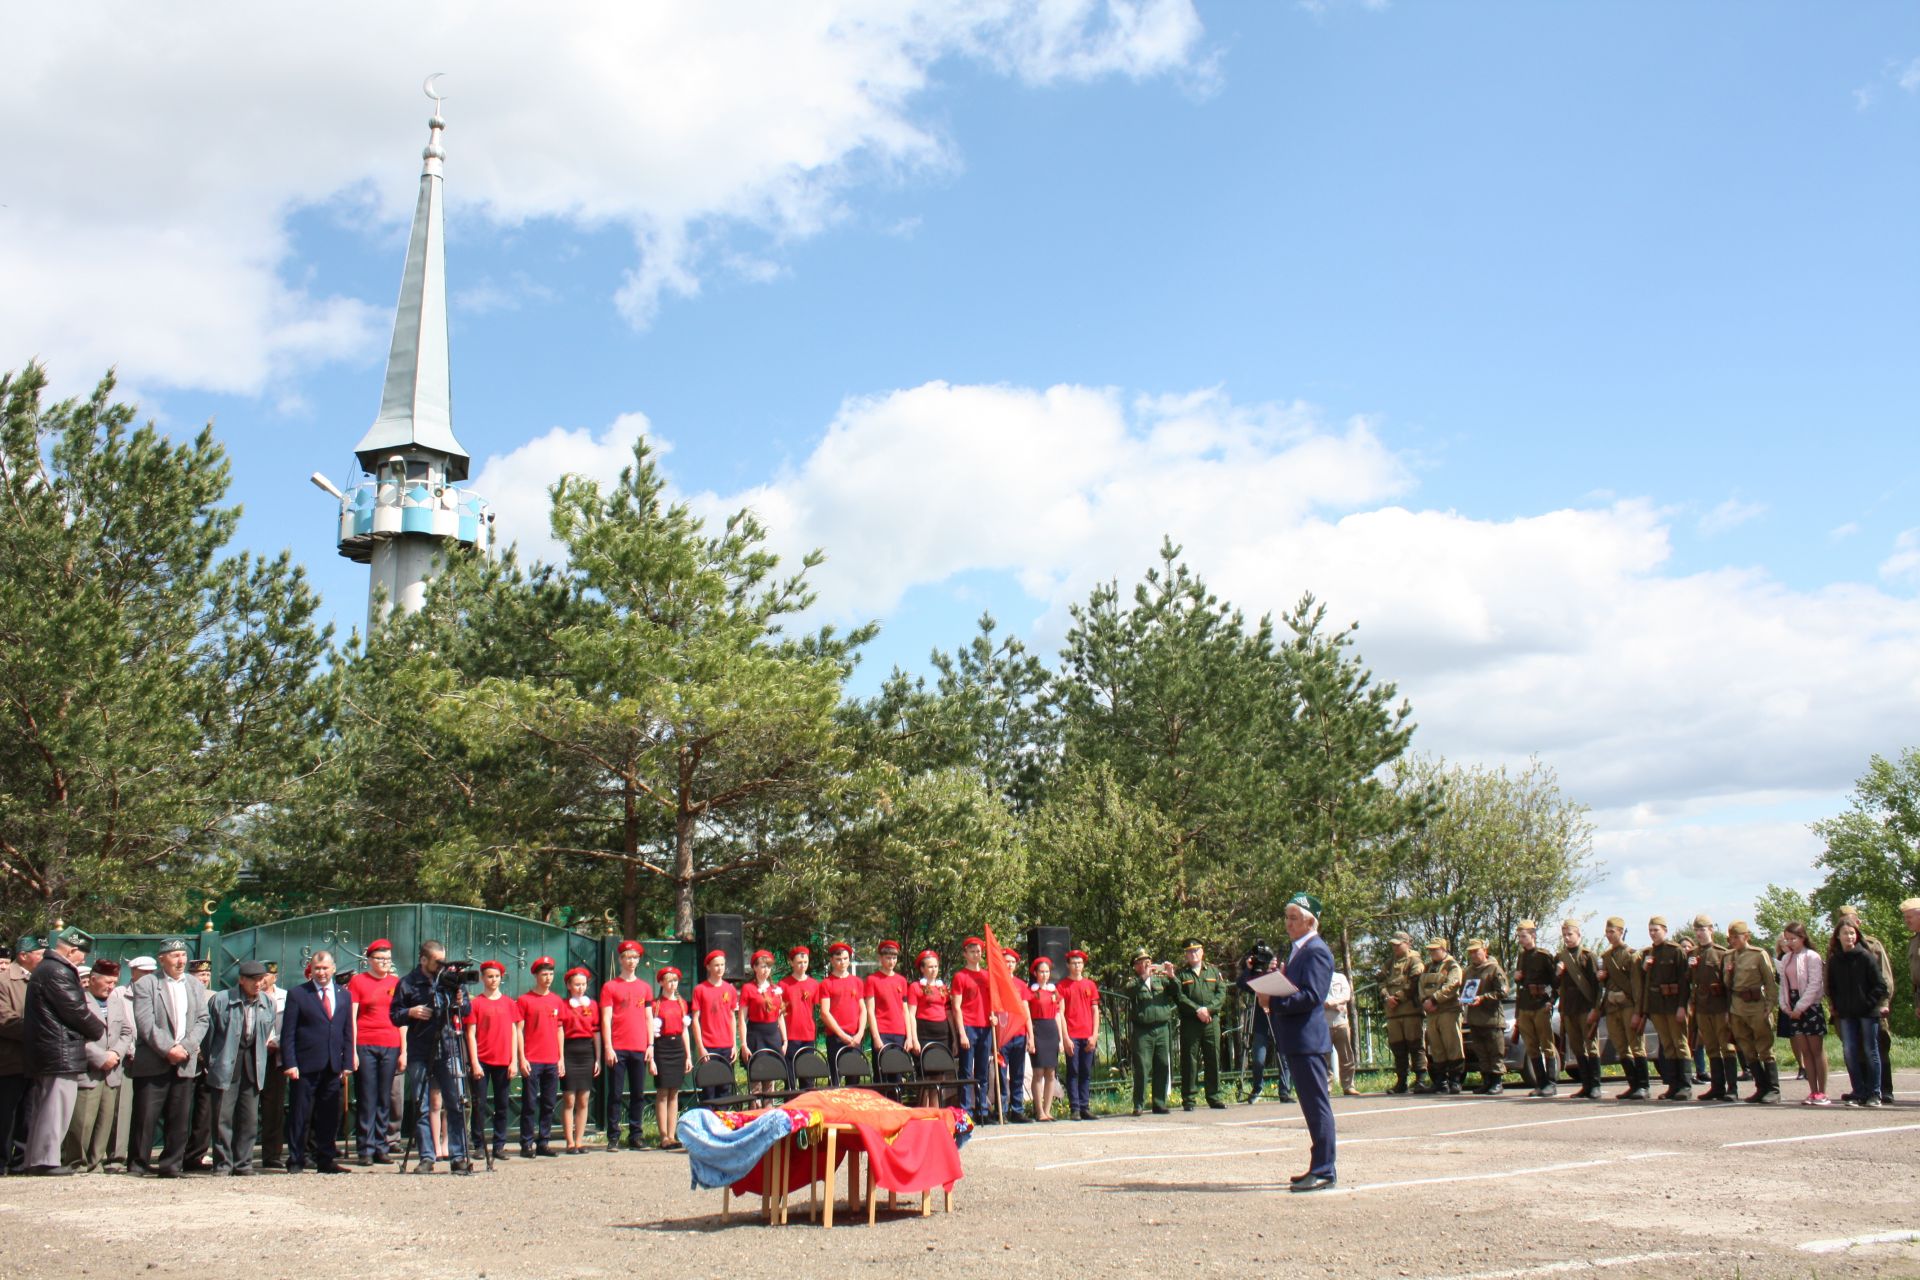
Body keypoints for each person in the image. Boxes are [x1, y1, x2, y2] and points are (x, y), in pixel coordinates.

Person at [23, 926, 106, 1175]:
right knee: (55, 1107)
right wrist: (98, 1029)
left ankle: (35, 1159)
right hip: (59, 1049)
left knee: (45, 1106)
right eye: (82, 955)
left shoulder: (46, 968)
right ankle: (45, 1160)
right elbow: (75, 1010)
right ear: (71, 950)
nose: (84, 960)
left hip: (50, 1049)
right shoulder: (58, 970)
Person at [128, 936, 210, 1177]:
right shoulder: (146, 985)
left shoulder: (195, 986)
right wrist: (168, 1049)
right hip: (154, 1061)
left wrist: (185, 1047)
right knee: (145, 1117)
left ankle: (171, 1164)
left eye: (183, 955)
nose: (180, 960)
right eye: (175, 956)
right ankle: (138, 1163)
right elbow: (145, 1023)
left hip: (185, 1061)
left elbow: (202, 1020)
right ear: (162, 959)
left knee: (179, 1116)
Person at [1271, 892, 1337, 1193]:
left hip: (1308, 1040)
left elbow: (1313, 996)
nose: (1288, 923)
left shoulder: (1316, 951)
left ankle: (1324, 1169)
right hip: (1297, 1039)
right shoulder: (1297, 950)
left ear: (1310, 921)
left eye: (1294, 918)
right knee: (1310, 1106)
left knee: (1317, 1105)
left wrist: (1274, 1000)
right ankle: (1319, 1165)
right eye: (1287, 917)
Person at [391, 940, 472, 1174]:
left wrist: (460, 1001)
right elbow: (394, 1016)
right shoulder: (407, 983)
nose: (441, 966)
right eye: (437, 962)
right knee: (422, 1105)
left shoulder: (450, 981)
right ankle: (427, 1156)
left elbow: (466, 1011)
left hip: (448, 1047)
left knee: (456, 1103)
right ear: (423, 959)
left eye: (443, 961)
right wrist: (411, 1012)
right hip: (420, 1049)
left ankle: (458, 1155)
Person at [280, 948, 352, 1174]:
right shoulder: (298, 994)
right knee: (301, 1114)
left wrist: (347, 1062)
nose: (321, 973)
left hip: (332, 1064)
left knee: (329, 1115)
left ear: (333, 969)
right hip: (305, 1065)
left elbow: (347, 1030)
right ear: (310, 969)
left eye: (325, 968)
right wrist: (290, 1062)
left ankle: (326, 1159)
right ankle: (296, 1159)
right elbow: (288, 1032)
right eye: (317, 968)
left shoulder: (343, 994)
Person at [202, 960, 273, 1175]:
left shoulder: (268, 1003)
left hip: (253, 1063)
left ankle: (244, 1163)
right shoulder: (222, 1000)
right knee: (222, 1116)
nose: (258, 984)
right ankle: (223, 1163)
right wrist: (212, 1061)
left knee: (249, 1118)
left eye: (261, 979)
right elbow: (208, 1036)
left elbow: (266, 1032)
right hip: (226, 1062)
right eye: (253, 980)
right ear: (241, 980)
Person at [66, 958, 132, 1174]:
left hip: (112, 1069)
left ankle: (95, 1163)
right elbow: (74, 1034)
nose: (111, 987)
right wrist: (99, 1056)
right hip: (90, 1070)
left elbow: (126, 1032)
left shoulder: (115, 1001)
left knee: (105, 1120)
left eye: (114, 982)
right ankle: (77, 1162)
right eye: (107, 982)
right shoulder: (78, 1001)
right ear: (92, 980)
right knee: (83, 1121)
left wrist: (116, 1053)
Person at [1831, 906, 1895, 1105]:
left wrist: (1880, 1004)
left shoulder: (1871, 946)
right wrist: (1836, 1005)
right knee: (1852, 1049)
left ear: (1857, 925)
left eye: (1851, 925)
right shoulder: (1834, 952)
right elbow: (1831, 983)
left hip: (1871, 1008)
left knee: (1876, 1047)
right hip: (1847, 1011)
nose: (1848, 933)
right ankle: (1861, 1090)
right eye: (1843, 925)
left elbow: (1884, 979)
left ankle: (1882, 1090)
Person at [347, 939, 403, 1166]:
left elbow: (402, 1018)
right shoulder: (358, 981)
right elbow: (352, 1017)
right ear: (369, 960)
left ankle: (382, 1145)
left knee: (384, 1097)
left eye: (388, 959)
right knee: (367, 1096)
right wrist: (352, 1050)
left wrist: (404, 1050)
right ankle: (365, 1147)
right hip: (366, 1043)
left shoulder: (396, 982)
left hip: (390, 1043)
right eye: (380, 959)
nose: (384, 963)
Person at [598, 940, 653, 1152]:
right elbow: (606, 1019)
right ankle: (613, 1136)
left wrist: (650, 1045)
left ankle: (636, 1134)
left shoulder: (645, 987)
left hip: (639, 1046)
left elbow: (649, 1018)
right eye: (627, 957)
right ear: (621, 960)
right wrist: (608, 1047)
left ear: (639, 960)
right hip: (618, 1047)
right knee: (615, 1093)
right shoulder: (610, 987)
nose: (631, 961)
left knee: (638, 1093)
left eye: (635, 957)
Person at [464, 960, 520, 1161]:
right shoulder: (476, 1003)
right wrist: (475, 1061)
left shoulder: (509, 1003)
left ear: (501, 978)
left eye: (496, 976)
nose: (493, 980)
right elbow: (470, 1033)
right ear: (482, 978)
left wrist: (514, 1060)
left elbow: (514, 1031)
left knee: (502, 1104)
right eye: (489, 976)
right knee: (478, 1103)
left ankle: (499, 1144)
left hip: (503, 1060)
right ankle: (479, 1144)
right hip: (482, 1060)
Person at [1635, 916, 1692, 1101]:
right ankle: (1673, 1086)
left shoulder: (1675, 951)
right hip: (1657, 1006)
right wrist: (1644, 968)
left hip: (1674, 1004)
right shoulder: (1649, 953)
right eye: (1650, 930)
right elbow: (1643, 983)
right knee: (1667, 1046)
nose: (1653, 933)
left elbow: (1684, 982)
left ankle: (1685, 1086)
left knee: (1680, 1044)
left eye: (1656, 930)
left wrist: (1682, 1006)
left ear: (1665, 931)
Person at [1723, 921, 1780, 1104]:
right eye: (1730, 938)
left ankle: (1773, 1089)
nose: (1733, 941)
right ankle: (1761, 1087)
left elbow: (1770, 982)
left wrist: (1770, 1005)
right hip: (1737, 1007)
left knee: (1765, 1047)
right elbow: (1727, 985)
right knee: (1747, 1049)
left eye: (1736, 937)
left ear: (1746, 937)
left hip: (1756, 1006)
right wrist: (1728, 973)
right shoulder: (1728, 956)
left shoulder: (1758, 954)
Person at [1777, 921, 1829, 1105]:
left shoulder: (1812, 956)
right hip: (1792, 1007)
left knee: (1816, 1050)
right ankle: (1812, 1090)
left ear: (1802, 938)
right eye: (1787, 939)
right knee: (1804, 1050)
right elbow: (1783, 984)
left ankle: (1822, 1091)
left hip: (1810, 1006)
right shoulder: (1786, 959)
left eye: (1794, 939)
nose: (1790, 942)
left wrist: (1800, 1007)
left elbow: (1815, 984)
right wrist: (1785, 1006)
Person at [516, 957, 564, 1156]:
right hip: (533, 1058)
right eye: (544, 974)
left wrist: (561, 1058)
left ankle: (543, 1141)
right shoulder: (525, 1000)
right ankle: (526, 1142)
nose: (548, 978)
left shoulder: (556, 1000)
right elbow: (518, 1030)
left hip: (551, 1059)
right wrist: (522, 1057)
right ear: (536, 975)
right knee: (529, 1103)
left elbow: (560, 1029)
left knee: (549, 1102)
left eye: (551, 974)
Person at [1686, 916, 1737, 1103]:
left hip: (1719, 1005)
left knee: (1727, 1047)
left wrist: (1729, 1010)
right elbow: (1688, 981)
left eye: (1703, 929)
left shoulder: (1722, 953)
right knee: (1711, 1048)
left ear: (1711, 930)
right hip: (1702, 1007)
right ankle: (1717, 1087)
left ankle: (1732, 1088)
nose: (1699, 933)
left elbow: (1729, 984)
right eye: (1697, 930)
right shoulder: (1692, 953)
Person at [1174, 938, 1228, 1111]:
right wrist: (1197, 1010)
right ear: (1186, 955)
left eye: (1196, 950)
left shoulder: (1213, 971)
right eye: (1189, 951)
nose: (1193, 954)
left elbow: (1221, 993)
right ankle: (1189, 1099)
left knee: (1213, 1057)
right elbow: (1180, 997)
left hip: (1211, 1021)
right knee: (1190, 1060)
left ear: (1202, 951)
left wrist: (1209, 1010)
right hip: (1191, 1022)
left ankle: (1214, 1096)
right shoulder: (1182, 975)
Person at [0, 935, 39, 1176]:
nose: (43, 958)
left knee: (29, 1113)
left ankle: (22, 1160)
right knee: (7, 1114)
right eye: (40, 954)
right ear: (23, 955)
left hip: (33, 1059)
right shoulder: (4, 981)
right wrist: (37, 1030)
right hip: (9, 1059)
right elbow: (4, 1019)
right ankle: (2, 1161)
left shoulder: (38, 979)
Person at [1597, 917, 1648, 1100]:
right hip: (1612, 1007)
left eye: (1612, 932)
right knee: (1620, 1046)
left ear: (1621, 932)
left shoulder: (1632, 955)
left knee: (1636, 1045)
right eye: (1607, 932)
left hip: (1628, 1005)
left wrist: (1638, 1011)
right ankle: (1633, 1085)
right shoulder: (1606, 957)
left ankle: (1643, 1086)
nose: (1609, 936)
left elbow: (1636, 986)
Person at [1555, 920, 1603, 1099]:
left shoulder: (1587, 956)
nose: (1567, 938)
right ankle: (1586, 1084)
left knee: (1591, 1046)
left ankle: (1596, 1085)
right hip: (1569, 1009)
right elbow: (1555, 985)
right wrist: (1558, 973)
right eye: (1564, 935)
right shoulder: (1560, 957)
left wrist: (1596, 1009)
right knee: (1576, 1047)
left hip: (1585, 1007)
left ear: (1578, 935)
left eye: (1570, 934)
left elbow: (1597, 986)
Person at [951, 938, 996, 1123]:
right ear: (965, 954)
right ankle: (966, 1111)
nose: (976, 954)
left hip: (985, 1027)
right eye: (972, 951)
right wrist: (961, 1032)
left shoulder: (988, 975)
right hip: (969, 1026)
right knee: (966, 1071)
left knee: (983, 1071)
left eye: (978, 951)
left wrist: (994, 1017)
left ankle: (982, 1109)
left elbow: (994, 1001)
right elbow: (956, 1006)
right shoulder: (960, 976)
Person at [1127, 950, 1176, 1116]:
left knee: (1162, 1065)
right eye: (1141, 962)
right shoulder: (1134, 981)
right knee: (1142, 1067)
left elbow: (1176, 992)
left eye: (1147, 961)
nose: (1145, 964)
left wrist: (1171, 976)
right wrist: (1143, 978)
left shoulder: (1160, 980)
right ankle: (1138, 1104)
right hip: (1143, 1030)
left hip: (1162, 1027)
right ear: (1136, 966)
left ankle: (1159, 1102)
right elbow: (1128, 992)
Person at [1511, 921, 1557, 1097]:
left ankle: (1551, 1083)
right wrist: (1517, 979)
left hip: (1540, 1004)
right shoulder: (1522, 957)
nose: (1521, 940)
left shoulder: (1544, 956)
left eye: (1524, 936)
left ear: (1533, 935)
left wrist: (1551, 1001)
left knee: (1547, 1044)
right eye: (1520, 936)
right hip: (1525, 1005)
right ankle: (1541, 1082)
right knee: (1531, 1046)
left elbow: (1555, 982)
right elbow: (1522, 982)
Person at [1377, 932, 1427, 1095]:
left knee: (1415, 1045)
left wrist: (1397, 998)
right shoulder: (1389, 963)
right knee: (1397, 1047)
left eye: (1398, 944)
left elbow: (1414, 982)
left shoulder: (1415, 960)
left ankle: (1420, 1079)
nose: (1395, 947)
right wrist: (1386, 996)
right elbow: (1380, 981)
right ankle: (1401, 1081)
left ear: (1408, 943)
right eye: (1393, 944)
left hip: (1410, 1010)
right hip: (1393, 1013)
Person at [559, 967, 601, 1153]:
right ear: (568, 985)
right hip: (569, 1050)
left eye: (583, 984)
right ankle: (568, 1141)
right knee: (569, 1098)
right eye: (576, 984)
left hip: (586, 1052)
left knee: (583, 1098)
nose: (580, 988)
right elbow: (559, 1031)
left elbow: (596, 1032)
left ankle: (579, 1140)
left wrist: (598, 1058)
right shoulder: (563, 1005)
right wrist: (560, 1057)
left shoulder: (592, 1005)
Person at [689, 950, 739, 1102]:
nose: (720, 968)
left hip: (726, 1046)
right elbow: (695, 1020)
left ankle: (723, 1123)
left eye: (722, 965)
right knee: (709, 1090)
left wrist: (734, 1044)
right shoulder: (700, 989)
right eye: (716, 965)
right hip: (709, 1046)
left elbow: (732, 1017)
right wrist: (701, 1047)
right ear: (709, 967)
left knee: (725, 1089)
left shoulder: (730, 989)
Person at [1416, 939, 1465, 1094]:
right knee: (1436, 1048)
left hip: (1448, 1010)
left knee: (1453, 1045)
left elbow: (1452, 985)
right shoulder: (1428, 967)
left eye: (1435, 949)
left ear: (1444, 949)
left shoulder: (1452, 966)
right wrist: (1425, 1000)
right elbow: (1421, 986)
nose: (1432, 953)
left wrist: (1434, 999)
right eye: (1430, 950)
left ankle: (1455, 1081)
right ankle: (1440, 1081)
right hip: (1432, 1013)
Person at [1460, 939, 1508, 1096]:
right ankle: (1486, 1081)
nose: (1474, 955)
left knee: (1495, 1051)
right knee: (1481, 1051)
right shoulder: (1468, 971)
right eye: (1471, 952)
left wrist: (1483, 998)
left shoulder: (1494, 969)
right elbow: (1464, 991)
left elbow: (1502, 992)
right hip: (1475, 1018)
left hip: (1491, 1018)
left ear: (1485, 951)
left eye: (1476, 951)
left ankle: (1497, 1082)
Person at [1057, 950, 1100, 1122]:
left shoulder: (1090, 985)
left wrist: (1095, 1034)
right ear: (1068, 965)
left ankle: (1085, 1106)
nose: (1077, 966)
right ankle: (1074, 1108)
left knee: (1086, 1072)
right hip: (1072, 1035)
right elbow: (1060, 1013)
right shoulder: (1062, 986)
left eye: (1080, 962)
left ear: (1083, 965)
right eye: (1074, 963)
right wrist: (1065, 1038)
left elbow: (1095, 1011)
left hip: (1088, 1034)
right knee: (1073, 1071)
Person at [1237, 945, 1282, 1103]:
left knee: (1283, 1056)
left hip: (1278, 1020)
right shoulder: (1256, 975)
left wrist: (1272, 971)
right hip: (1261, 1022)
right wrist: (1249, 969)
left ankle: (1285, 1090)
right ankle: (1257, 1088)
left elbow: (1283, 985)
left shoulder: (1277, 971)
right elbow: (1242, 985)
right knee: (1258, 1058)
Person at [183, 957, 216, 1173]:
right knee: (182, 1110)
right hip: (186, 1058)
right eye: (199, 975)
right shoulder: (183, 994)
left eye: (206, 975)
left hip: (208, 1062)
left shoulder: (215, 997)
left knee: (204, 1112)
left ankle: (197, 1154)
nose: (203, 979)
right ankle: (177, 1152)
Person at [816, 942, 866, 1083]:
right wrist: (841, 1034)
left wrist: (860, 1033)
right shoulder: (827, 983)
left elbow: (863, 1009)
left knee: (854, 1080)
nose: (842, 962)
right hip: (836, 1037)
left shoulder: (857, 981)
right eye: (838, 959)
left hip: (855, 1037)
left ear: (849, 960)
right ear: (831, 960)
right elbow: (825, 1013)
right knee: (836, 1079)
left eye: (845, 958)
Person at [738, 950, 784, 1100]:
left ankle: (769, 1114)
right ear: (755, 968)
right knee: (756, 1083)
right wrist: (743, 1043)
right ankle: (754, 1115)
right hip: (756, 1035)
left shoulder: (775, 989)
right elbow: (742, 1018)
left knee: (770, 1082)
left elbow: (780, 1015)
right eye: (763, 966)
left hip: (773, 1036)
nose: (766, 970)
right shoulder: (748, 988)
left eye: (768, 967)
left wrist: (785, 1039)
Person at [1025, 956, 1066, 1122]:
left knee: (1051, 1072)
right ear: (1035, 973)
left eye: (1047, 971)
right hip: (1037, 1029)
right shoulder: (1031, 993)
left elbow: (1058, 1014)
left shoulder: (1054, 991)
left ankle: (1048, 1110)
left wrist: (1061, 1039)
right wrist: (1031, 1038)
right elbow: (1026, 1016)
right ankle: (1039, 1110)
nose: (1044, 974)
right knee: (1038, 1072)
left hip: (1051, 1031)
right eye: (1041, 971)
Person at [651, 967, 688, 1149]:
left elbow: (685, 1031)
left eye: (675, 980)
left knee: (674, 1092)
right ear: (661, 983)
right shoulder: (655, 1005)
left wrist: (688, 1055)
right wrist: (651, 1057)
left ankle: (673, 1135)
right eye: (669, 980)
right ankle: (663, 1135)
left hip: (677, 1048)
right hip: (662, 1047)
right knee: (663, 1091)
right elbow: (650, 1031)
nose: (673, 984)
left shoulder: (681, 1003)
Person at [863, 941, 910, 1077]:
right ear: (880, 958)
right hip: (882, 1031)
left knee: (897, 1076)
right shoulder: (872, 980)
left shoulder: (901, 980)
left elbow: (905, 1010)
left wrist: (909, 1036)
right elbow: (870, 1010)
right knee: (882, 1076)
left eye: (894, 958)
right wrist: (876, 1037)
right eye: (888, 958)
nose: (891, 961)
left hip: (899, 1033)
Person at [997, 948, 1033, 1123]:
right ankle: (1001, 1109)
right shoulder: (995, 983)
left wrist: (1030, 1035)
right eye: (1006, 961)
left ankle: (1017, 1109)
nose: (1009, 965)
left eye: (1012, 962)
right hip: (1002, 1035)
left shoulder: (1020, 984)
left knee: (1018, 1073)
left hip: (1019, 1033)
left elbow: (1025, 1009)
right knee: (1001, 1075)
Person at [257, 962, 287, 1170]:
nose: (264, 979)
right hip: (252, 1056)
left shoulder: (286, 997)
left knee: (274, 1108)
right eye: (261, 975)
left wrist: (277, 1042)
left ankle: (272, 1154)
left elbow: (291, 1025)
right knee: (247, 1107)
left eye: (268, 975)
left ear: (275, 977)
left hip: (276, 1057)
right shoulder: (251, 994)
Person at [781, 945, 820, 1084]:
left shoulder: (814, 984)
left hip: (808, 1034)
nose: (802, 965)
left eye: (805, 962)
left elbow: (816, 1008)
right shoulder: (784, 985)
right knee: (790, 1079)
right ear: (791, 962)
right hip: (790, 1035)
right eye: (799, 962)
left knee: (808, 1078)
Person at [1324, 968, 1356, 1097]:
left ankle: (1349, 1086)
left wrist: (1333, 1003)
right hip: (1324, 1023)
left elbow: (1346, 995)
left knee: (1346, 1056)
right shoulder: (1317, 978)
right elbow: (1318, 999)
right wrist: (1335, 1005)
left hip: (1341, 1022)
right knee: (1324, 1058)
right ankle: (1326, 1087)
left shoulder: (1340, 977)